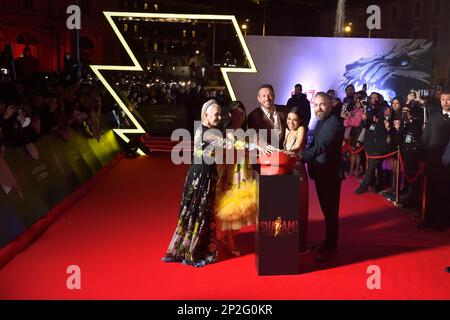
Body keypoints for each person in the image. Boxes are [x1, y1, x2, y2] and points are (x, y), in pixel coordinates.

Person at [163, 99, 222, 267]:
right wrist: (255, 145)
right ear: (206, 114)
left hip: (200, 172)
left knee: (195, 211)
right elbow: (230, 144)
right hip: (202, 175)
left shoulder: (203, 128)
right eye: (216, 114)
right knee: (198, 212)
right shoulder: (209, 133)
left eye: (220, 113)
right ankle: (192, 250)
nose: (219, 117)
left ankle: (190, 248)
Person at [298, 92, 344, 262]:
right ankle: (328, 242)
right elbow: (314, 144)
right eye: (316, 105)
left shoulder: (335, 123)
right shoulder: (320, 121)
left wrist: (299, 157)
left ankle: (331, 247)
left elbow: (322, 147)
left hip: (330, 174)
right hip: (320, 172)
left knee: (331, 212)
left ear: (330, 104)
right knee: (327, 211)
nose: (318, 108)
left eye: (322, 104)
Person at [215, 101, 256, 257]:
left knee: (237, 209)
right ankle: (230, 241)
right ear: (230, 115)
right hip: (232, 173)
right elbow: (232, 151)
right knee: (230, 208)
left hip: (243, 172)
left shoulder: (243, 131)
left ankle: (229, 238)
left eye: (242, 113)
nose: (240, 117)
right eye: (236, 114)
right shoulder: (229, 132)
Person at [418, 90, 450, 231]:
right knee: (430, 190)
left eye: (448, 99)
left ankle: (442, 221)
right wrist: (422, 159)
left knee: (445, 191)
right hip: (432, 160)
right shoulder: (434, 117)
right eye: (443, 99)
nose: (445, 102)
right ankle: (428, 219)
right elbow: (425, 138)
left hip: (447, 162)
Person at [282, 106, 309, 251]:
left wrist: (281, 152)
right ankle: (289, 240)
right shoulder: (287, 131)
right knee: (289, 207)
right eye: (289, 119)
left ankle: (300, 244)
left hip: (298, 171)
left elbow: (297, 147)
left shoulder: (301, 129)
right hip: (286, 170)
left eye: (295, 120)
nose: (291, 122)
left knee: (299, 207)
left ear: (301, 121)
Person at [248, 84, 287, 150]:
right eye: (263, 96)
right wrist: (269, 148)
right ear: (259, 99)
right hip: (266, 154)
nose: (267, 98)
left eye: (269, 95)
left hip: (284, 153)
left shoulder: (285, 110)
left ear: (274, 96)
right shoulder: (253, 116)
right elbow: (256, 136)